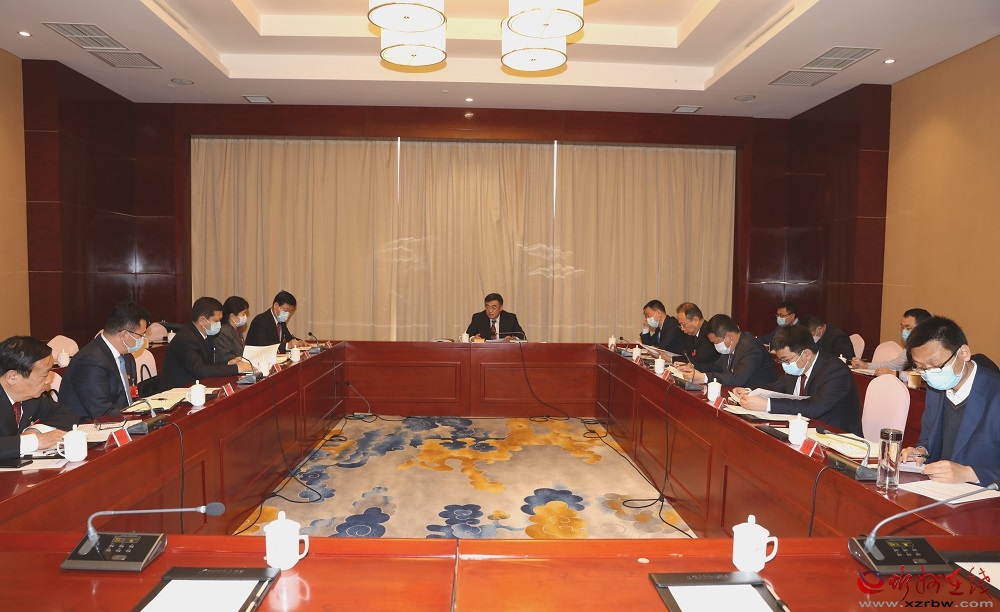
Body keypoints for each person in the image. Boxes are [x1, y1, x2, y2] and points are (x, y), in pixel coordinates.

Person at [900, 316, 1000, 485]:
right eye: (921, 367)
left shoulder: (995, 393)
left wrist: (970, 474)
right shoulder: (935, 389)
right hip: (938, 488)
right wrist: (921, 451)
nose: (929, 374)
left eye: (935, 366)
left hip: (982, 494)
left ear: (963, 353)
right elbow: (929, 438)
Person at [736, 324, 862, 436]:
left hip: (835, 436)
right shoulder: (799, 366)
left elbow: (815, 406)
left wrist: (767, 404)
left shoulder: (835, 370)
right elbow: (777, 387)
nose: (784, 365)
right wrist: (749, 391)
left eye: (786, 360)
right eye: (780, 360)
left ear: (806, 354)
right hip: (803, 430)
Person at [59, 301, 151, 421]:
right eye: (141, 335)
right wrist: (135, 422)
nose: (143, 339)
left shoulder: (127, 356)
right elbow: (101, 411)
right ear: (123, 335)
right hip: (89, 426)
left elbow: (131, 396)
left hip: (122, 420)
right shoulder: (91, 361)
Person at [1, 336, 79, 460]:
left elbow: (67, 413)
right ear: (12, 377)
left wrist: (35, 431)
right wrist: (35, 441)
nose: (49, 381)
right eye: (44, 375)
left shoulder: (31, 398)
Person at [162, 297, 253, 389]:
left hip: (197, 386)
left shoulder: (206, 334)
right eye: (216, 321)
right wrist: (237, 368)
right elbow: (201, 370)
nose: (219, 324)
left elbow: (208, 364)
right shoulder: (186, 339)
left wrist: (228, 363)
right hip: (179, 390)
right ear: (202, 321)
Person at [679, 314, 777, 388]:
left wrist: (704, 377)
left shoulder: (750, 347)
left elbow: (737, 378)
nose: (715, 346)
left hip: (760, 397)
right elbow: (716, 367)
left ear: (729, 337)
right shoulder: (731, 346)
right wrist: (692, 366)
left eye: (716, 342)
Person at [851, 308, 931, 375]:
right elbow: (895, 365)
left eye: (908, 328)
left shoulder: (932, 347)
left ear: (922, 328)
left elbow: (926, 375)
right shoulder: (911, 346)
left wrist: (897, 374)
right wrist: (866, 365)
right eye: (902, 327)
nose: (904, 331)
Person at [674, 302, 719, 370]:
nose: (682, 328)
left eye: (683, 324)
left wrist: (685, 364)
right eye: (680, 325)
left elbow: (699, 359)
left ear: (696, 320)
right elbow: (688, 357)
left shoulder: (709, 334)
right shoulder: (691, 334)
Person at [215, 296, 250, 365]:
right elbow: (226, 357)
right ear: (232, 316)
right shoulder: (223, 331)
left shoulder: (237, 329)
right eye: (243, 314)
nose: (245, 316)